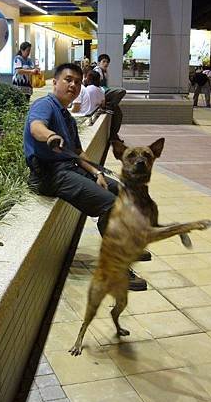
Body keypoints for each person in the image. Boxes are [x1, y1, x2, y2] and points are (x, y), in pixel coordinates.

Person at [24, 62, 148, 291]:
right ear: (55, 82)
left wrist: (96, 172)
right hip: (50, 174)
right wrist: (50, 136)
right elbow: (36, 127)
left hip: (69, 168)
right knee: (110, 206)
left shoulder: (67, 117)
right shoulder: (45, 105)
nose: (73, 85)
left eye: (77, 82)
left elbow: (79, 153)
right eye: (68, 80)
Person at [97, 53, 126, 142]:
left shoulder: (105, 73)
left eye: (107, 62)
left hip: (105, 93)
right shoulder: (97, 71)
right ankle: (109, 106)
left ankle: (113, 136)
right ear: (99, 62)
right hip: (101, 94)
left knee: (119, 114)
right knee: (122, 91)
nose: (106, 64)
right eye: (104, 61)